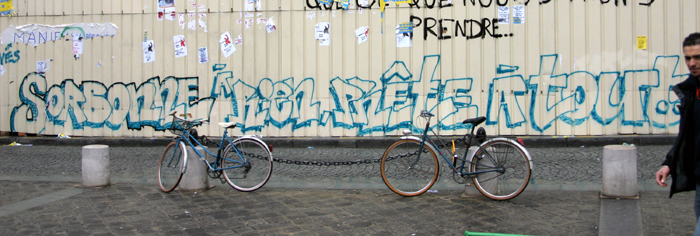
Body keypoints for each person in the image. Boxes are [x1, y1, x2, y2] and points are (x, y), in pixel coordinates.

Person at [656, 32, 700, 235]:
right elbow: (687, 135)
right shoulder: (691, 92)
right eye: (688, 58)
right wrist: (669, 163)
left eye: (698, 57)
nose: (692, 63)